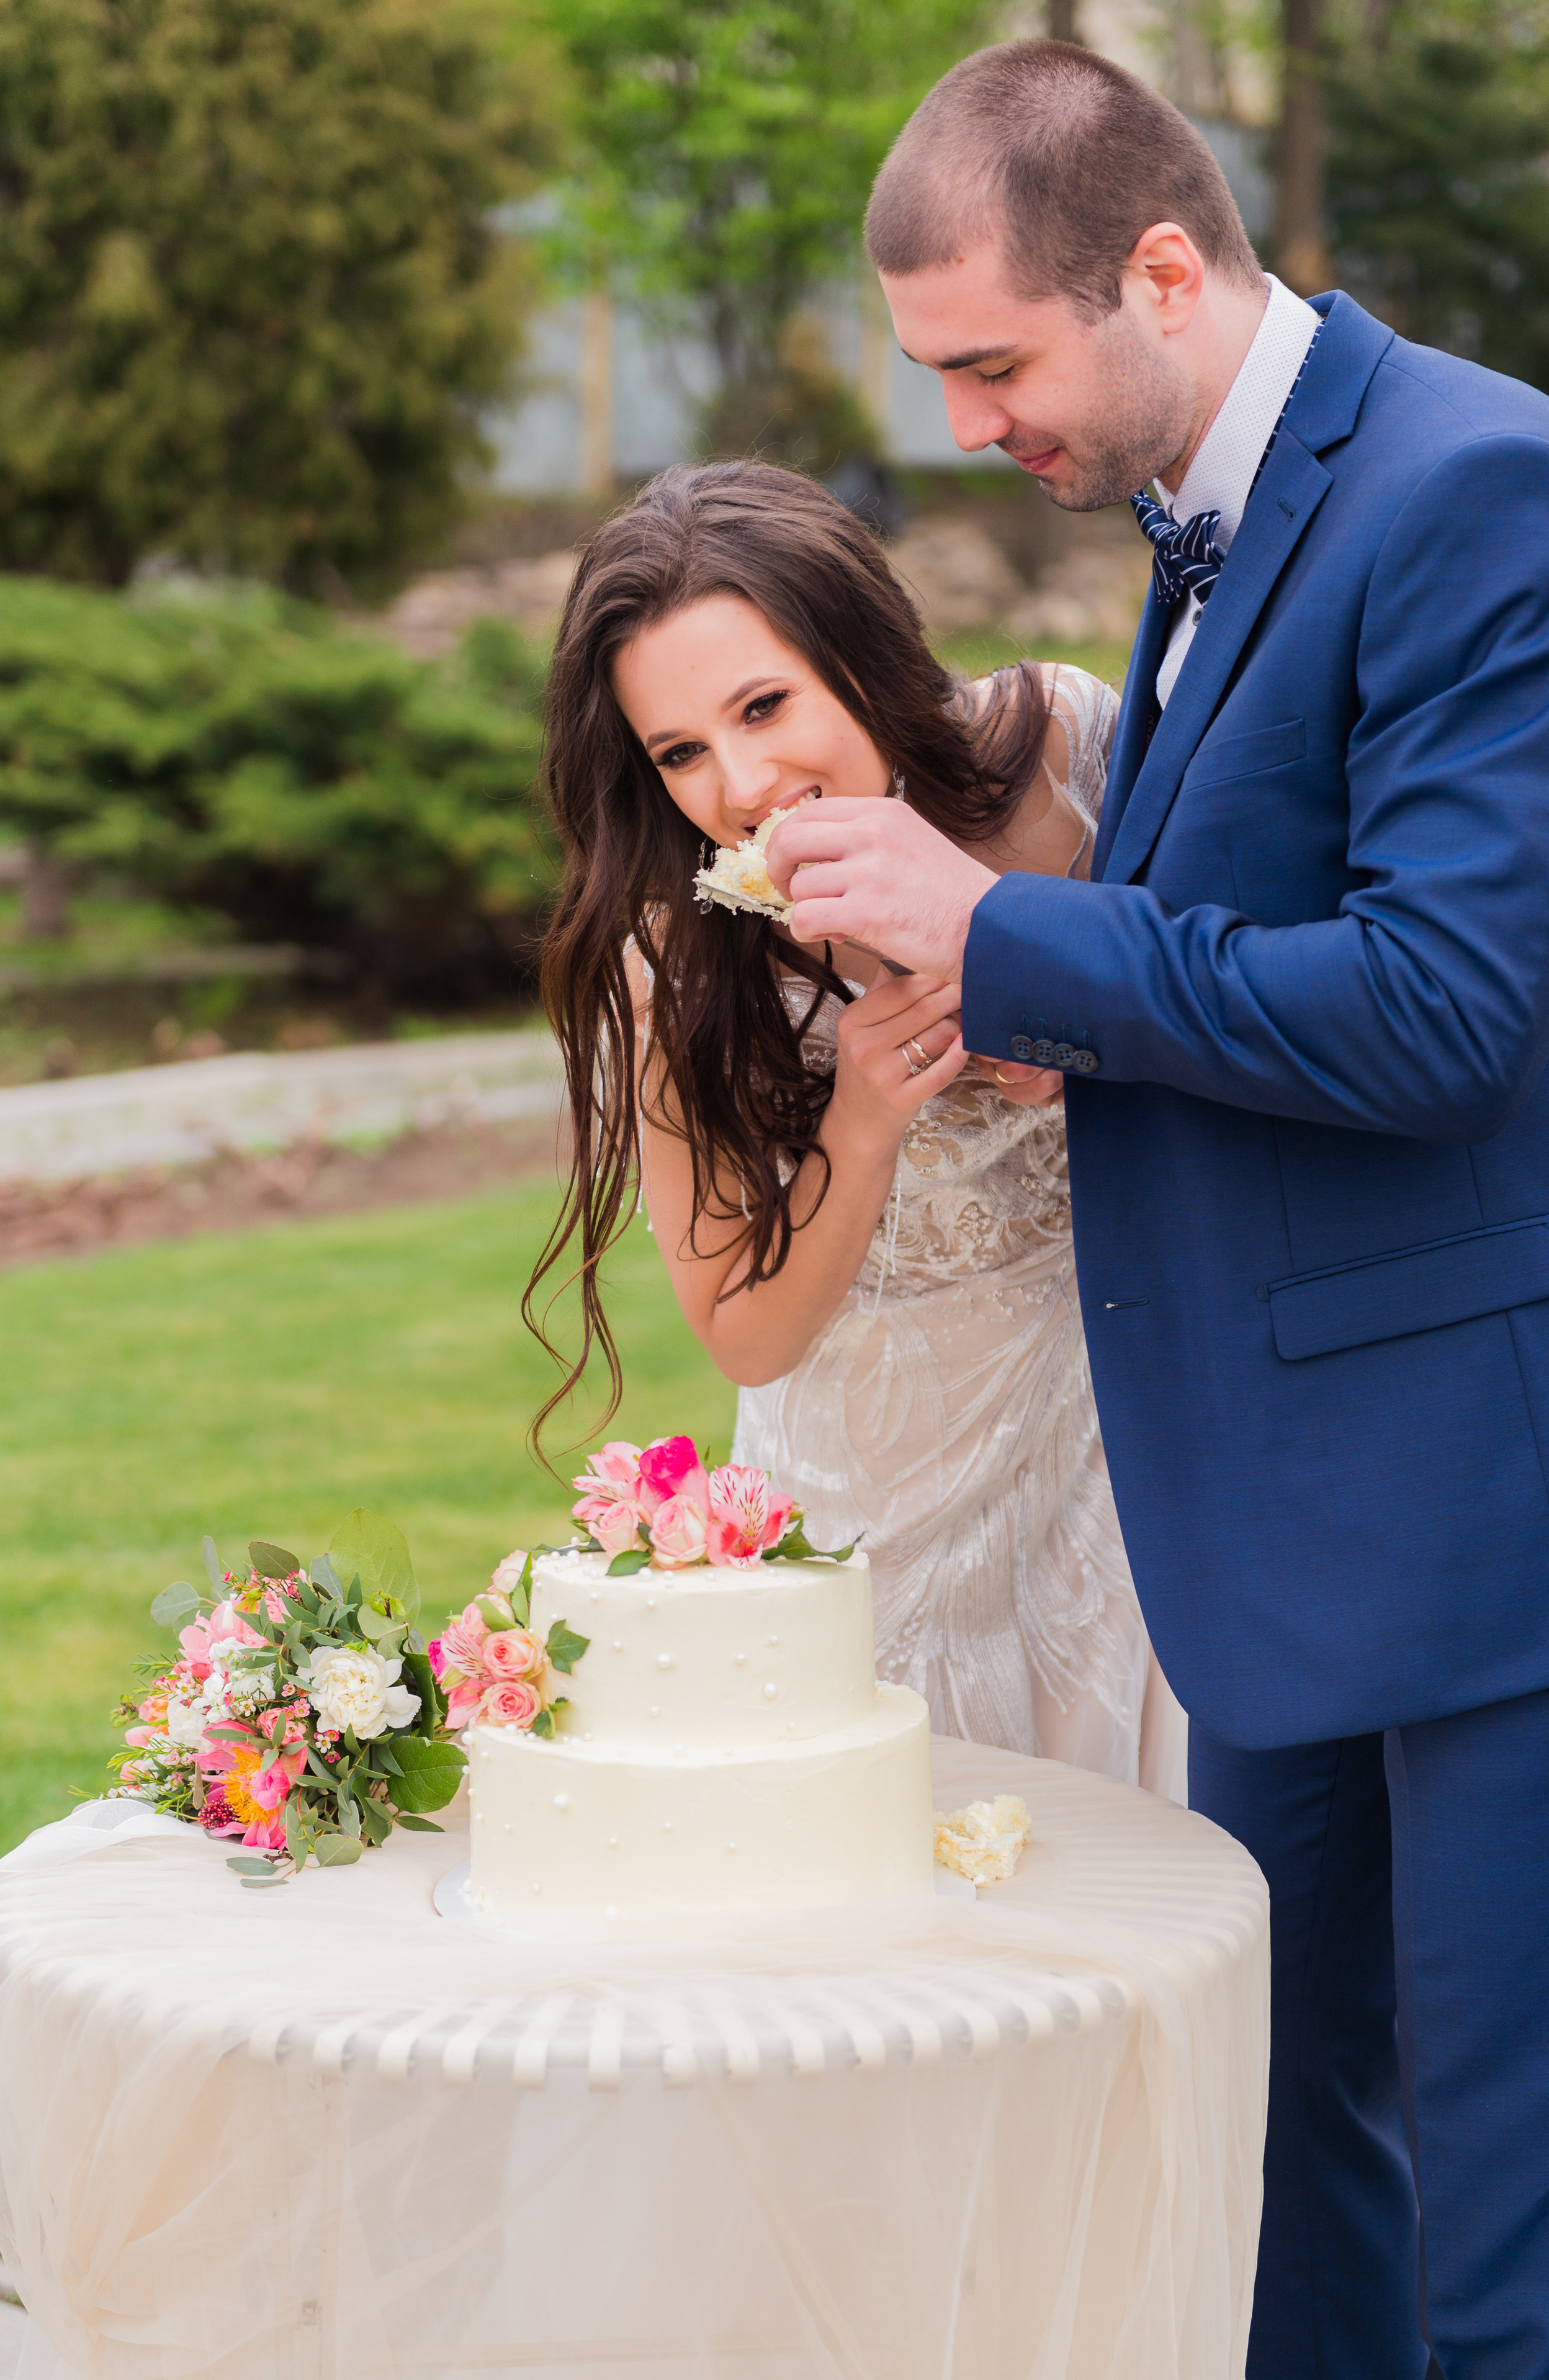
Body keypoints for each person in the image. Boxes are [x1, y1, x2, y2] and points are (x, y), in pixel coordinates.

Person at [762, 34, 1549, 2380]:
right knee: (1280, 2151)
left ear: (1168, 272)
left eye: (993, 364)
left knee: (1503, 2215)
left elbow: (1448, 1011)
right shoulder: (1206, 513)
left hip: (1474, 1528)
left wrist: (1000, 931)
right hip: (1282, 1537)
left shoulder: (1474, 485)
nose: (965, 423)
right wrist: (1069, 1027)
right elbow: (1269, 953)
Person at [529, 459, 1185, 1795]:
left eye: (764, 705)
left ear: (861, 652)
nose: (742, 784)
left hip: (1116, 1480)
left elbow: (1223, 995)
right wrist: (863, 1119)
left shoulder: (1059, 754)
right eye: (679, 752)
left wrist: (1078, 1039)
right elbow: (744, 1332)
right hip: (870, 1532)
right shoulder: (676, 962)